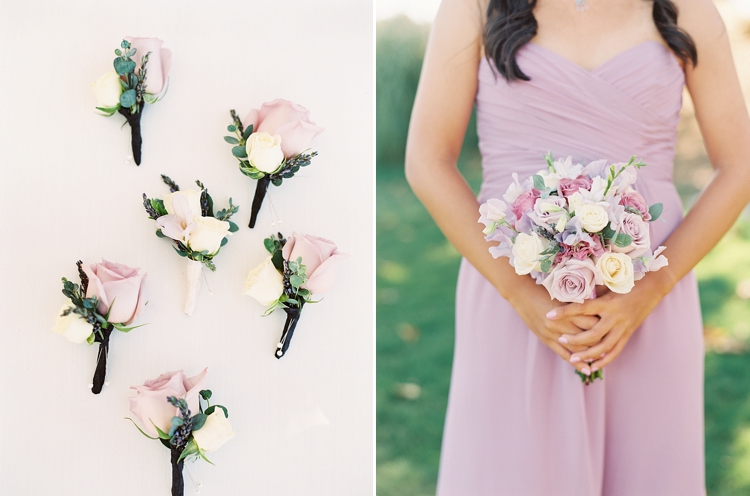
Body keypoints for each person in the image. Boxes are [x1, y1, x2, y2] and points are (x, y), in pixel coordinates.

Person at [405, 0, 750, 494]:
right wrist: (520, 295)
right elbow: (427, 159)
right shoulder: (474, 5)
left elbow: (739, 165)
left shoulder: (685, 7)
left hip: (649, 298)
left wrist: (652, 289)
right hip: (511, 289)